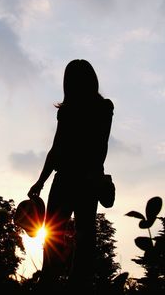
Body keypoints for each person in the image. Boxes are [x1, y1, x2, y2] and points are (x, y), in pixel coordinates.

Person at [28, 59, 114, 294]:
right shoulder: (101, 107)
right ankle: (73, 284)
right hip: (82, 179)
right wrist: (42, 180)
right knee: (83, 238)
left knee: (57, 236)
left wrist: (41, 181)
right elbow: (97, 146)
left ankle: (50, 283)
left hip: (68, 179)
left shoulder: (82, 109)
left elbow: (59, 149)